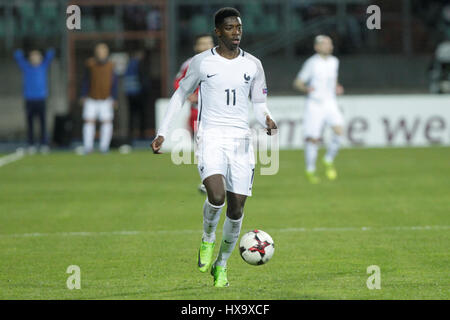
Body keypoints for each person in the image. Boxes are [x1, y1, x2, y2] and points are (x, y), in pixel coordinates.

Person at [151, 7, 277, 287]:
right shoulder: (201, 63)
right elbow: (180, 94)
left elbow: (258, 104)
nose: (236, 33)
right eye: (230, 28)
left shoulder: (253, 64)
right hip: (211, 137)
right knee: (216, 195)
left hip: (241, 141)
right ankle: (207, 240)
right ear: (217, 32)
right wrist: (163, 132)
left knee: (236, 210)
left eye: (239, 28)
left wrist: (267, 118)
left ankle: (221, 265)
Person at [293, 35, 344, 184]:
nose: (330, 46)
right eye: (326, 44)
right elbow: (298, 82)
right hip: (314, 104)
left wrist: (337, 86)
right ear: (317, 47)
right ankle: (310, 170)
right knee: (313, 139)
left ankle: (328, 159)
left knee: (339, 131)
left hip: (330, 102)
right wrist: (306, 88)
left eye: (331, 43)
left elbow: (334, 80)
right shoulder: (312, 63)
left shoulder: (335, 61)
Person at [173, 33, 215, 193]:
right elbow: (178, 82)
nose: (206, 46)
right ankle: (207, 181)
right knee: (202, 147)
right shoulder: (189, 64)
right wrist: (189, 95)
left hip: (219, 113)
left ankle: (218, 179)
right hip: (197, 111)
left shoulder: (221, 62)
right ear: (196, 47)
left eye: (209, 43)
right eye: (202, 44)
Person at [14, 48, 55, 154]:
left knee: (43, 123)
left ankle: (44, 144)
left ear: (40, 58)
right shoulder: (26, 67)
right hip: (29, 100)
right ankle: (31, 144)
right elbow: (17, 55)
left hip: (41, 99)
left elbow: (51, 53)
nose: (35, 58)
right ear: (29, 58)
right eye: (33, 56)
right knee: (30, 123)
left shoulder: (43, 66)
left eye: (37, 56)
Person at [80, 43, 118, 154]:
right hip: (91, 98)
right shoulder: (90, 64)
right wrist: (83, 95)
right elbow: (85, 80)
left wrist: (114, 98)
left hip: (106, 98)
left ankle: (104, 147)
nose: (101, 54)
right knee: (88, 122)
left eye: (103, 51)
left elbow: (114, 83)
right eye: (99, 52)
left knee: (107, 123)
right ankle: (88, 147)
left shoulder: (111, 65)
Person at [124, 50, 149, 143]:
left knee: (131, 115)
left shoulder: (129, 64)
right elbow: (143, 79)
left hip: (130, 93)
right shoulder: (140, 64)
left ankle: (130, 135)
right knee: (142, 115)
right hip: (139, 93)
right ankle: (142, 135)